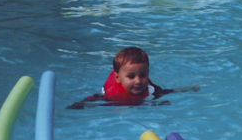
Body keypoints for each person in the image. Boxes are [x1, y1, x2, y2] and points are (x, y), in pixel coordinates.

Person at [66, 47, 199, 109]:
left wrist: (189, 89)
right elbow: (92, 100)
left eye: (143, 75)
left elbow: (170, 91)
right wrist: (79, 104)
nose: (138, 81)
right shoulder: (111, 94)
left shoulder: (151, 89)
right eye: (131, 76)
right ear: (117, 78)